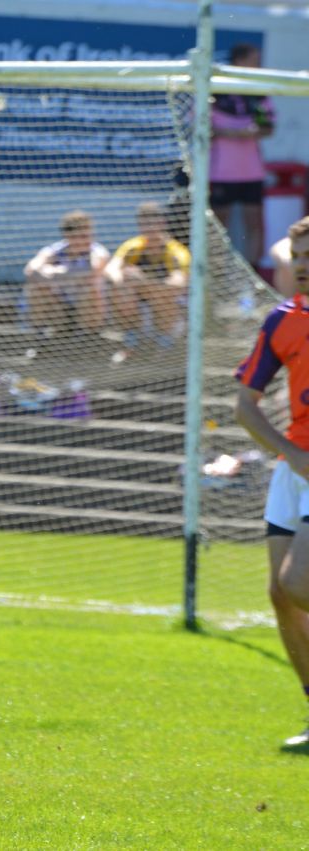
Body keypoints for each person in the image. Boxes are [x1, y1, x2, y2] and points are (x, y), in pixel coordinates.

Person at [233, 215, 309, 750]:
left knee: (300, 583)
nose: (302, 267)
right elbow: (244, 406)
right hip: (296, 466)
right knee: (279, 594)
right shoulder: (282, 320)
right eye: (297, 258)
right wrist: (290, 454)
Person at [211, 43, 274, 270]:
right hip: (220, 172)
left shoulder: (257, 92)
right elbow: (202, 127)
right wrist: (237, 133)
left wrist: (256, 131)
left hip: (252, 171)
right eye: (254, 60)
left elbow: (268, 127)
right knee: (219, 226)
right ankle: (216, 277)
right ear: (239, 61)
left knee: (254, 224)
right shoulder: (216, 90)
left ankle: (253, 279)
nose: (258, 65)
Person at [105, 201, 191, 361]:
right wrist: (123, 279)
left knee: (164, 296)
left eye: (153, 223)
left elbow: (178, 284)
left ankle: (164, 347)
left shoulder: (176, 251)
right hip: (140, 309)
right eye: (144, 224)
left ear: (162, 223)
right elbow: (111, 269)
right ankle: (131, 343)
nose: (149, 228)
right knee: (121, 287)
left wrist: (142, 281)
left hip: (170, 314)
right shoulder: (133, 247)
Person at [23, 210, 110, 338]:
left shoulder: (97, 251)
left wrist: (53, 272)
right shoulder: (55, 250)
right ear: (68, 236)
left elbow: (93, 271)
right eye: (79, 236)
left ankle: (90, 338)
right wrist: (70, 274)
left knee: (90, 289)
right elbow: (30, 271)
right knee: (36, 289)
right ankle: (38, 338)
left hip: (90, 312)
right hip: (61, 310)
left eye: (88, 235)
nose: (86, 240)